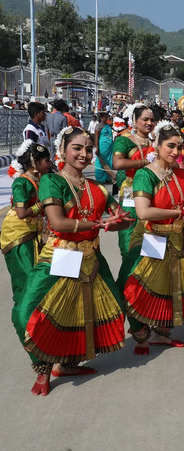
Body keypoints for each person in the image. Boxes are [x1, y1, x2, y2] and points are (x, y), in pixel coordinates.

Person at [17, 126, 130, 396]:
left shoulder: (97, 188)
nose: (84, 154)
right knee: (30, 311)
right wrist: (96, 222)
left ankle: (67, 363)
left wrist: (117, 222)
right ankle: (43, 366)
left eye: (88, 149)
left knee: (105, 307)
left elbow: (117, 219)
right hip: (62, 253)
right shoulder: (52, 182)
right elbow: (57, 221)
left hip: (91, 255)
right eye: (77, 148)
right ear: (63, 151)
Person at [122, 121, 184, 355]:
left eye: (179, 147)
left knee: (172, 286)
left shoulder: (182, 174)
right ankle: (140, 331)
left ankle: (161, 332)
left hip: (179, 238)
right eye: (170, 146)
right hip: (152, 237)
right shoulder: (145, 175)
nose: (175, 152)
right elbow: (143, 212)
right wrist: (180, 212)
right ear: (157, 145)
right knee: (135, 286)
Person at [2, 141, 51, 310]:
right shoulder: (21, 183)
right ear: (35, 162)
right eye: (46, 160)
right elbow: (22, 213)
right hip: (18, 234)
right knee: (26, 276)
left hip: (33, 231)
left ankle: (34, 313)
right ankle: (24, 315)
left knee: (39, 274)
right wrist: (42, 205)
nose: (49, 164)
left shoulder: (39, 179)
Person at [112, 103, 156, 260]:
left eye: (152, 120)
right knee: (129, 229)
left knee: (152, 230)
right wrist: (145, 162)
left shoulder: (156, 142)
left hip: (153, 190)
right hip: (131, 189)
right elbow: (117, 163)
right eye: (145, 119)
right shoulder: (124, 140)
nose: (149, 123)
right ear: (135, 120)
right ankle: (129, 270)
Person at [94, 112, 115, 184]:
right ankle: (100, 178)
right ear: (102, 118)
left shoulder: (108, 125)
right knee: (101, 161)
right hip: (102, 147)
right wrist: (97, 147)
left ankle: (107, 177)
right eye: (106, 117)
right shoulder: (98, 126)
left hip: (109, 148)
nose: (107, 118)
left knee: (108, 161)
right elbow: (96, 137)